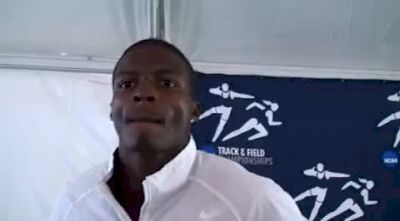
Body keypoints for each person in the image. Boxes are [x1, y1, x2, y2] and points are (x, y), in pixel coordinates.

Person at [50, 38, 306, 221]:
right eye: (127, 84)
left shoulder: (252, 201)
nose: (143, 93)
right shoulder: (75, 202)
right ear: (111, 108)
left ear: (194, 110)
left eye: (167, 83)